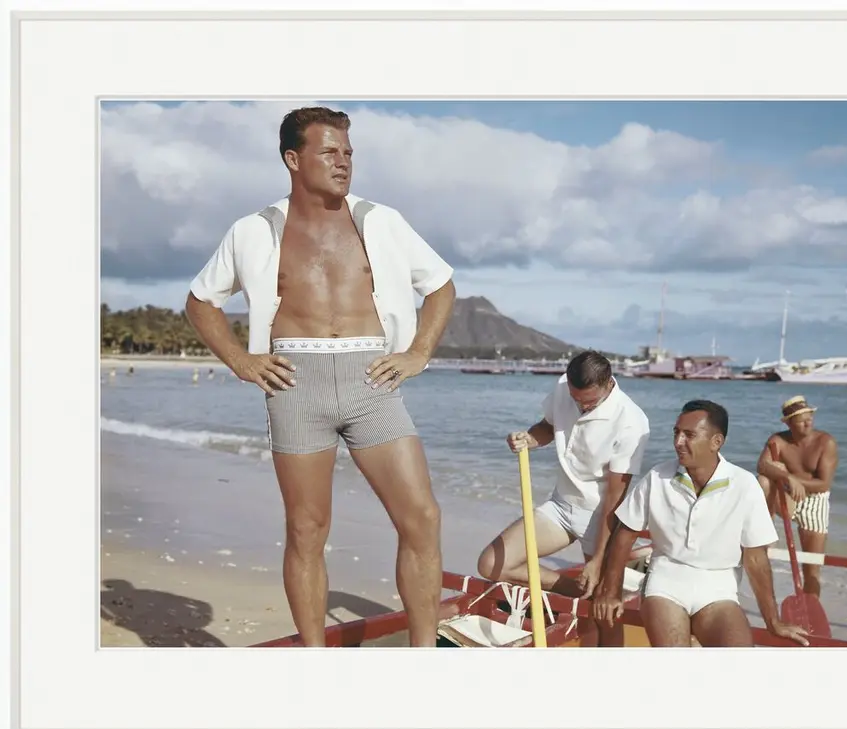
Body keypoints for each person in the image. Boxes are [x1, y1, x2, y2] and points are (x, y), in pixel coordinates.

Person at [185, 106, 456, 647]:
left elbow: (441, 285)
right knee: (307, 530)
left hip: (372, 379)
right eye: (329, 152)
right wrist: (242, 361)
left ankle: (423, 654)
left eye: (349, 153)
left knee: (421, 517)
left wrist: (419, 352)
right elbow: (200, 302)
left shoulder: (381, 221)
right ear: (293, 158)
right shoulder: (254, 231)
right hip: (295, 383)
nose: (343, 163)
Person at [592, 399, 809, 647]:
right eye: (676, 433)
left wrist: (773, 621)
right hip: (665, 582)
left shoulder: (744, 484)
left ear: (716, 442)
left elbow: (756, 557)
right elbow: (624, 534)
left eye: (689, 435)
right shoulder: (657, 477)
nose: (678, 442)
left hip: (719, 589)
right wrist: (610, 591)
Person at [476, 350, 650, 646]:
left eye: (589, 402)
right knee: (492, 564)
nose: (581, 406)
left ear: (609, 384)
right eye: (575, 399)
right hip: (560, 505)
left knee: (604, 610)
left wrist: (597, 559)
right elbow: (548, 426)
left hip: (601, 516)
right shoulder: (563, 387)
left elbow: (614, 499)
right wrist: (530, 439)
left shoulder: (632, 422)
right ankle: (580, 589)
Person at [755, 395, 838, 598]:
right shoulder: (778, 440)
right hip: (788, 496)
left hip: (815, 500)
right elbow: (762, 465)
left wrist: (794, 479)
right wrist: (786, 477)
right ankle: (766, 533)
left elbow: (824, 483)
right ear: (790, 423)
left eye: (810, 417)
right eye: (801, 419)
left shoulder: (825, 442)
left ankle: (811, 608)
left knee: (812, 567)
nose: (808, 422)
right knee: (763, 481)